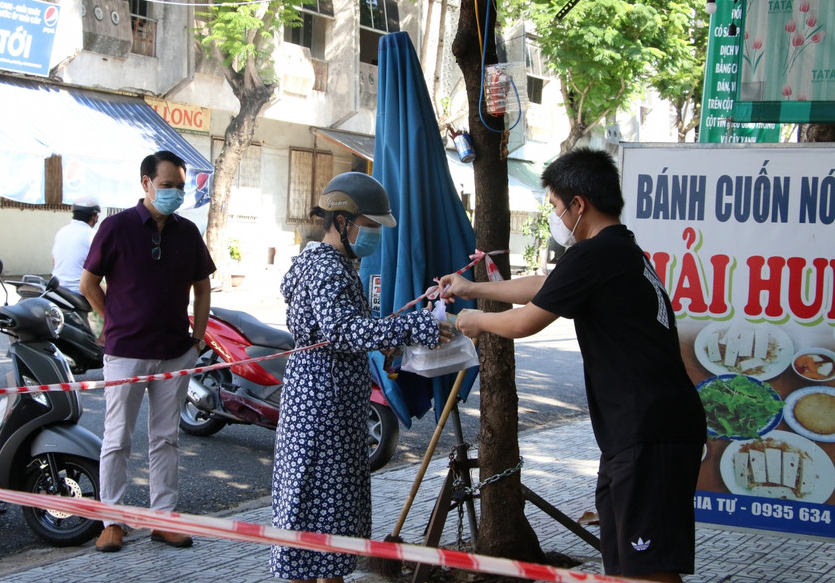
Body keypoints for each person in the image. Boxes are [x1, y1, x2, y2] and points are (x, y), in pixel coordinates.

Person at [438, 148, 706, 583]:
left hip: (648, 431)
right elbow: (546, 285)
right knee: (627, 565)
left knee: (648, 571)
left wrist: (475, 320)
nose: (557, 219)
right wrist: (474, 285)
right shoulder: (619, 252)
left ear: (579, 204)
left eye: (557, 208)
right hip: (640, 431)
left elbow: (527, 321)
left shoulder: (597, 255)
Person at [270, 172, 450, 583]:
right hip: (323, 410)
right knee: (325, 509)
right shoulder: (329, 269)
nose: (373, 235)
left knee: (317, 507)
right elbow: (344, 331)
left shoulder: (319, 260)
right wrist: (411, 328)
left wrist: (384, 334)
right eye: (367, 226)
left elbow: (340, 325)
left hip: (320, 402)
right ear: (340, 222)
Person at [80, 150, 216, 553]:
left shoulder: (187, 232)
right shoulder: (116, 227)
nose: (175, 192)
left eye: (180, 186)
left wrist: (198, 339)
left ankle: (163, 519)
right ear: (146, 183)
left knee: (165, 438)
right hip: (126, 353)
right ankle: (112, 521)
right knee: (117, 438)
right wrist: (112, 322)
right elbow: (89, 284)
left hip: (176, 351)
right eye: (167, 185)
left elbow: (203, 285)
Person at [52, 195, 100, 290]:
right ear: (94, 217)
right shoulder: (93, 235)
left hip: (57, 288)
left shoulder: (62, 231)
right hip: (79, 291)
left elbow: (54, 261)